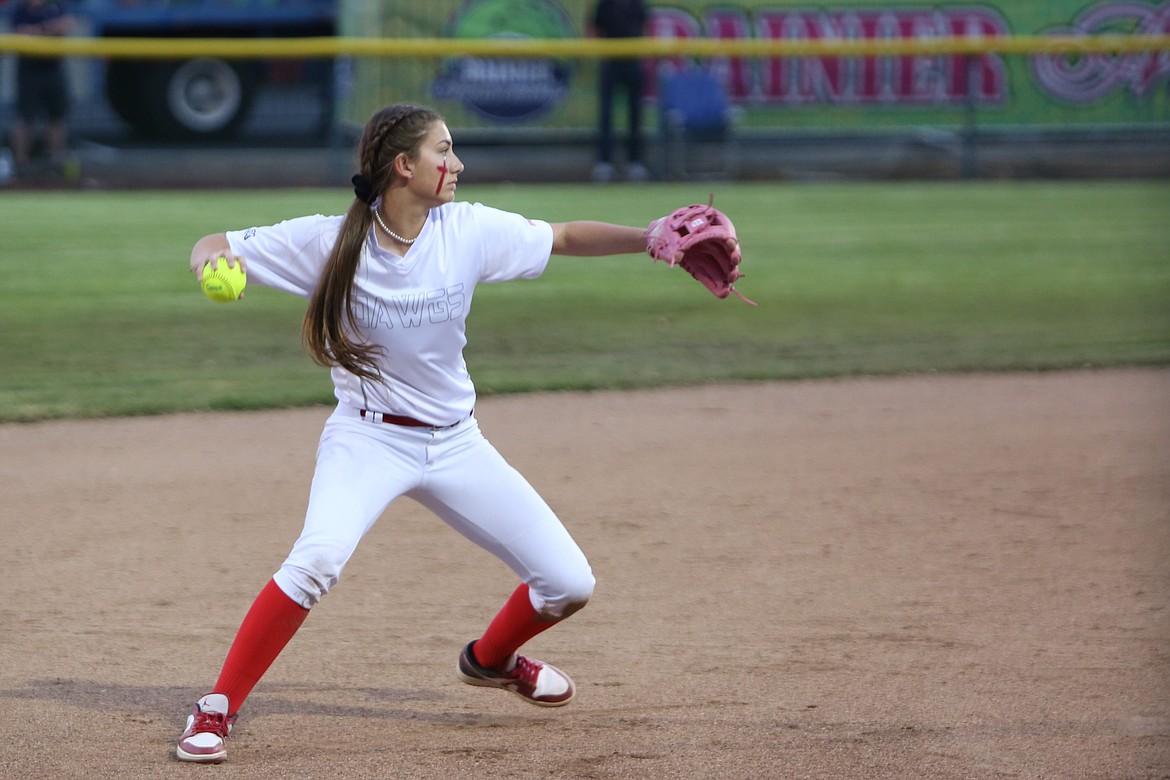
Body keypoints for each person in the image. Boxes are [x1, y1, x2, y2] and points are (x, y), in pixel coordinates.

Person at [176, 103, 657, 764]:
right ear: (405, 167)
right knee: (316, 560)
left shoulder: (467, 230)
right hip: (368, 440)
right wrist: (210, 267)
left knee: (569, 583)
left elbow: (566, 235)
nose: (456, 164)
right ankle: (216, 707)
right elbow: (215, 244)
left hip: (457, 443)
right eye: (443, 151)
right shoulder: (331, 241)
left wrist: (654, 237)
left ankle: (490, 660)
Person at [7, 0, 76, 178]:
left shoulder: (56, 6)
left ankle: (56, 162)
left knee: (57, 117)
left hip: (53, 68)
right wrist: (49, 30)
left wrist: (39, 31)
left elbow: (67, 25)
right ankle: (19, 163)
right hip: (29, 70)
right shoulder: (21, 9)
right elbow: (21, 34)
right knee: (26, 117)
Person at [588, 0, 649, 183]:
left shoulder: (636, 3)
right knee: (606, 116)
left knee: (635, 116)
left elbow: (645, 26)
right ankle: (604, 163)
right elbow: (595, 28)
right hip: (610, 62)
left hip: (633, 61)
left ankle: (635, 162)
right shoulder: (605, 4)